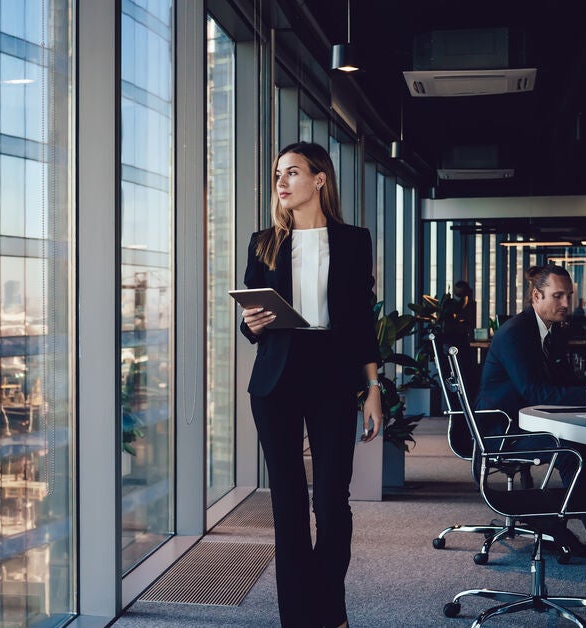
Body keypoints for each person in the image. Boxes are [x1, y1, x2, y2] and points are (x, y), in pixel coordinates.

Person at [239, 141, 383, 628]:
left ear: (319, 179)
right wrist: (252, 323)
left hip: (331, 372)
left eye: (293, 172)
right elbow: (249, 319)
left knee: (331, 503)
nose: (281, 182)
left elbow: (361, 319)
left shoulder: (353, 241)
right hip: (276, 376)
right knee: (288, 504)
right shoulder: (264, 242)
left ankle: (330, 610)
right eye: (278, 174)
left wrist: (372, 388)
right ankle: (298, 619)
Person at [475, 264, 586, 583]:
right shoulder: (515, 333)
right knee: (572, 452)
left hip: (536, 423)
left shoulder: (554, 332)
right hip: (503, 432)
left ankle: (553, 521)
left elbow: (565, 383)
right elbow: (534, 391)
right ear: (536, 296)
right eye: (558, 296)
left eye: (569, 295)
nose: (566, 303)